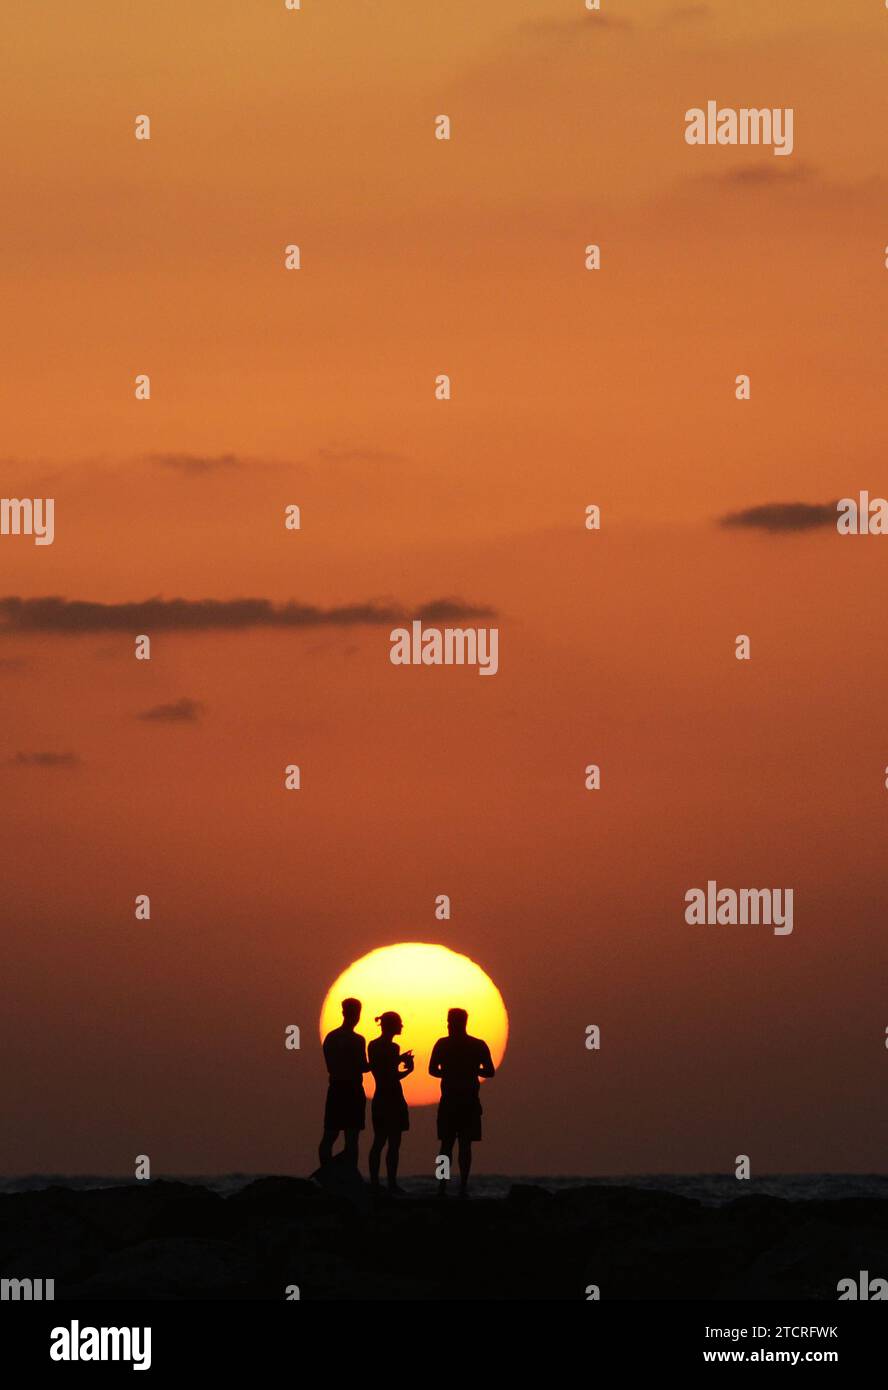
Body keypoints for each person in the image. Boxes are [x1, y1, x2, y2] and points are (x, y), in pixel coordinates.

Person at [429, 1007, 495, 1199]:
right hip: (462, 1101)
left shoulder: (444, 1044)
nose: (449, 1025)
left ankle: (447, 1187)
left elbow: (433, 1070)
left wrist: (456, 1072)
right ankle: (455, 1187)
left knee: (450, 1147)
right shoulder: (476, 1045)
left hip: (458, 1102)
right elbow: (489, 1071)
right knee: (456, 1147)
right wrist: (470, 1071)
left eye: (451, 1021)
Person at [318, 997, 369, 1169]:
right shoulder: (357, 1040)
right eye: (355, 1013)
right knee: (346, 1136)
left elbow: (331, 1066)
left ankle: (337, 1172)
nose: (356, 1016)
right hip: (348, 1089)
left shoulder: (331, 1037)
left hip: (340, 1088)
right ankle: (342, 1172)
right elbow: (363, 1066)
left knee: (335, 1135)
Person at [367, 1012, 414, 1194]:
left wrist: (402, 1065)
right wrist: (405, 1066)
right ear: (391, 1025)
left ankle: (379, 1183)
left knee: (385, 1142)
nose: (401, 1026)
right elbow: (386, 1073)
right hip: (390, 1097)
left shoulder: (379, 1046)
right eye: (399, 1023)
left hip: (386, 1096)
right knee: (388, 1142)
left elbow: (386, 1072)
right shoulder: (387, 1047)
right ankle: (387, 1183)